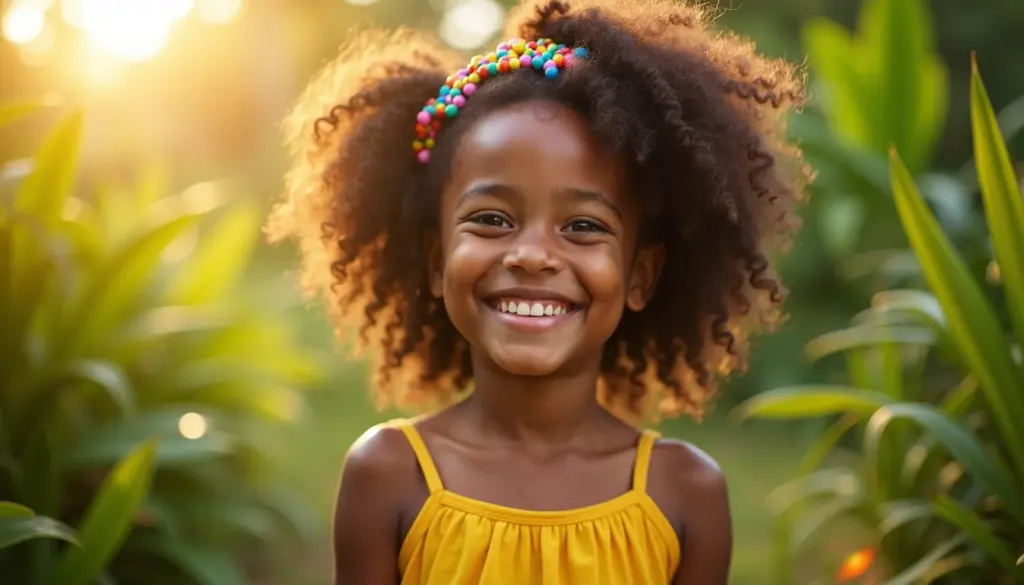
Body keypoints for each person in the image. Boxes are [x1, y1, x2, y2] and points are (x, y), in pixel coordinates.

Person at [268, 0, 809, 583]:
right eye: (492, 219)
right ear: (435, 260)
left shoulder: (684, 494)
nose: (531, 254)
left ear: (640, 277)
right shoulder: (390, 474)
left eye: (583, 226)